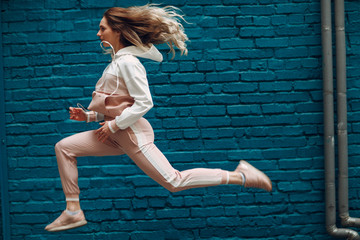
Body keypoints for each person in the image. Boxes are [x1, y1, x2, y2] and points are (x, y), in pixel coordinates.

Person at [44, 4, 272, 232]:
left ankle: (240, 175)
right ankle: (73, 210)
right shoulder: (117, 62)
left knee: (174, 181)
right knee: (64, 147)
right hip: (117, 133)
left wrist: (113, 126)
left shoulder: (129, 63)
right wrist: (89, 116)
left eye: (102, 28)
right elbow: (120, 105)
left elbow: (144, 102)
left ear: (118, 31)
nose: (98, 33)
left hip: (131, 134)